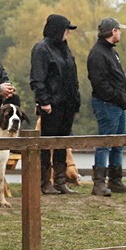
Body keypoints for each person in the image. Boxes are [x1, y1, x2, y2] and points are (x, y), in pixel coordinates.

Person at [30, 14, 82, 195]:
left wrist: (76, 102)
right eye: (66, 29)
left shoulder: (65, 49)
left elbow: (72, 77)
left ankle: (60, 181)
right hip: (51, 105)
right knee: (47, 142)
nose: (68, 33)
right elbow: (38, 78)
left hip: (66, 105)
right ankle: (44, 182)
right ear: (58, 30)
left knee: (62, 142)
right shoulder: (42, 49)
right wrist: (44, 101)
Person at [87, 17, 126, 196]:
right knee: (105, 143)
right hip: (107, 104)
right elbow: (99, 83)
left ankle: (115, 181)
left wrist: (122, 98)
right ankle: (99, 183)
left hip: (116, 105)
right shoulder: (98, 54)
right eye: (118, 30)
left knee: (118, 143)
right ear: (113, 31)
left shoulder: (109, 52)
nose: (120, 33)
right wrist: (117, 97)